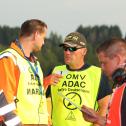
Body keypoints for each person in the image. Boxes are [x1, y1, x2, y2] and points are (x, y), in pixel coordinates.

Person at [46, 32, 112, 126]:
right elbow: (38, 97)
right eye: (65, 48)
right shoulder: (55, 71)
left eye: (72, 49)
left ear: (84, 51)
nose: (67, 52)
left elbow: (104, 107)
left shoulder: (97, 73)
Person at [0, 19, 49, 126]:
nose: (43, 42)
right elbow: (3, 98)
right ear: (36, 35)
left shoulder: (35, 63)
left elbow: (39, 97)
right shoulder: (9, 58)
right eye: (43, 38)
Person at [81, 38, 126, 126]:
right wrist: (97, 119)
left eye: (104, 63)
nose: (102, 68)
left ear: (117, 59)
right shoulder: (118, 85)